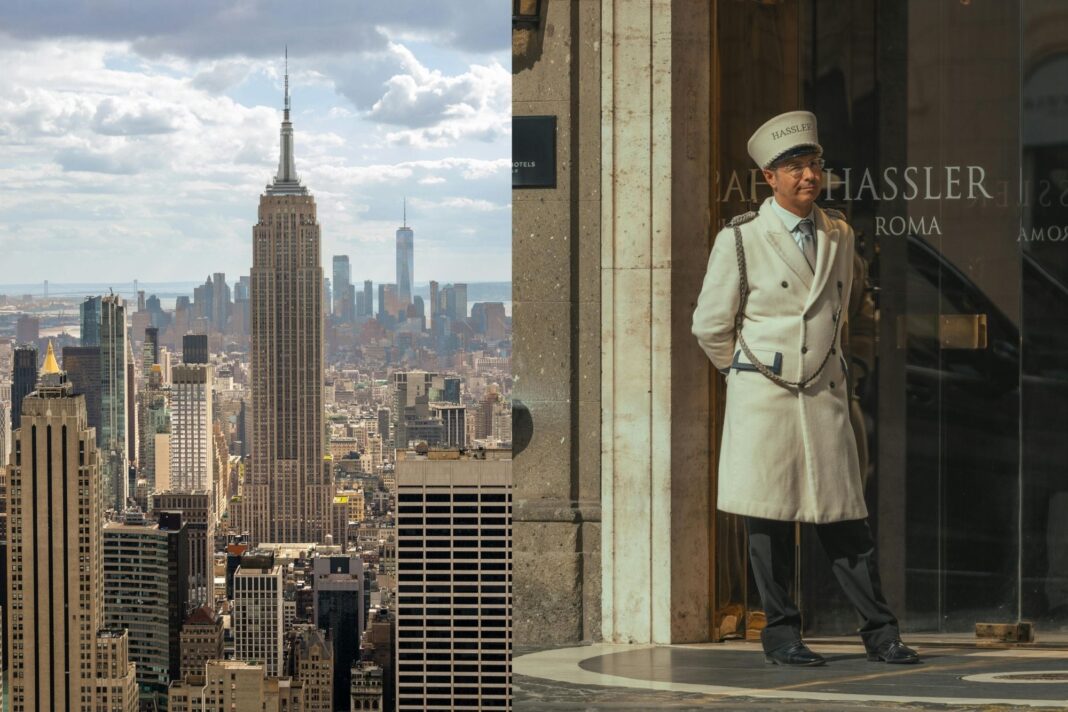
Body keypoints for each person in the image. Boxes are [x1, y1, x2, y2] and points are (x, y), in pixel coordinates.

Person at [691, 110, 918, 667]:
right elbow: (710, 325)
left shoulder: (839, 232)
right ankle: (782, 636)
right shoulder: (741, 237)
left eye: (813, 164)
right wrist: (744, 374)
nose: (808, 176)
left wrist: (851, 363)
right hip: (764, 398)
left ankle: (881, 633)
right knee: (767, 523)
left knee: (846, 520)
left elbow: (857, 311)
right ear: (770, 178)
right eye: (794, 168)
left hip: (825, 394)